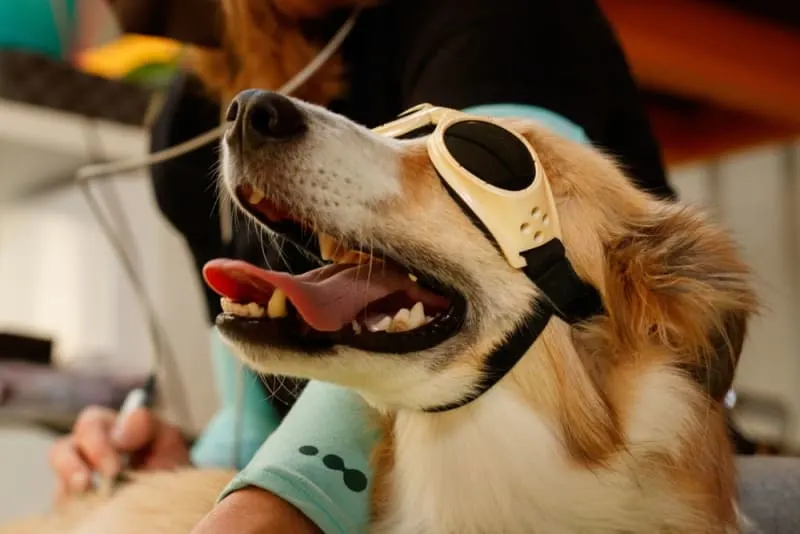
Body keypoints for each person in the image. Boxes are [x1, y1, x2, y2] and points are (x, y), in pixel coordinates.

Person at [48, 0, 800, 532]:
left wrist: (274, 497)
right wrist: (190, 461)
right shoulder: (189, 114)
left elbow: (516, 259)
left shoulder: (503, 20)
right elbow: (261, 410)